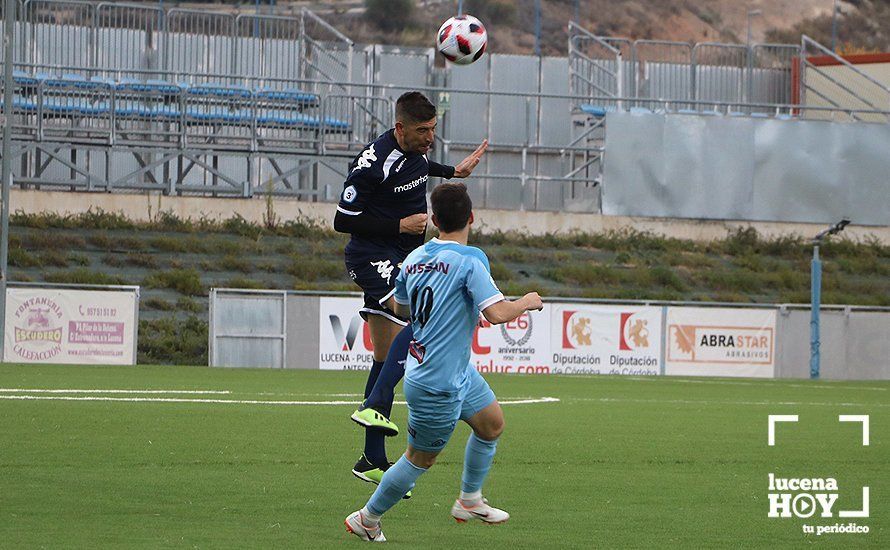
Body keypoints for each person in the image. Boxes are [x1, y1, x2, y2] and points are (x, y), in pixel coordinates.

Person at [344, 182, 543, 542]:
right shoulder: (471, 261)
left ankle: (469, 499)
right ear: (471, 217)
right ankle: (367, 518)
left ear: (434, 220)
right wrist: (526, 301)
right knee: (418, 459)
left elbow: (401, 310)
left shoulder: (414, 260)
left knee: (492, 425)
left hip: (455, 370)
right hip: (438, 382)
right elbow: (496, 314)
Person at [333, 91, 488, 487]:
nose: (430, 137)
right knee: (417, 323)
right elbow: (342, 219)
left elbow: (420, 165)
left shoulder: (416, 152)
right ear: (400, 128)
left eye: (434, 129)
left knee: (386, 355)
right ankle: (377, 406)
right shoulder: (372, 163)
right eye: (423, 130)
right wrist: (397, 227)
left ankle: (370, 457)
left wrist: (454, 171)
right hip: (372, 257)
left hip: (404, 258)